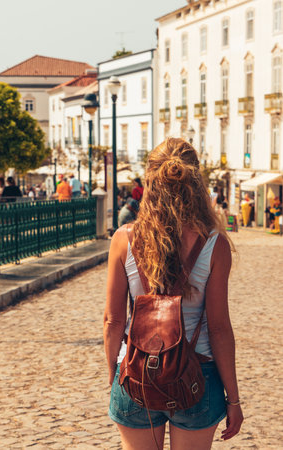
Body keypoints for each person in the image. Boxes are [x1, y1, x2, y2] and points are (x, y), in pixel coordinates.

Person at [104, 138, 243, 450]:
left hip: (136, 372)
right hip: (198, 373)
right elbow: (219, 328)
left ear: (150, 182)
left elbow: (112, 321)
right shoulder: (213, 245)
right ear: (196, 183)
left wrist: (116, 377)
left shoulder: (123, 239)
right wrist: (233, 399)